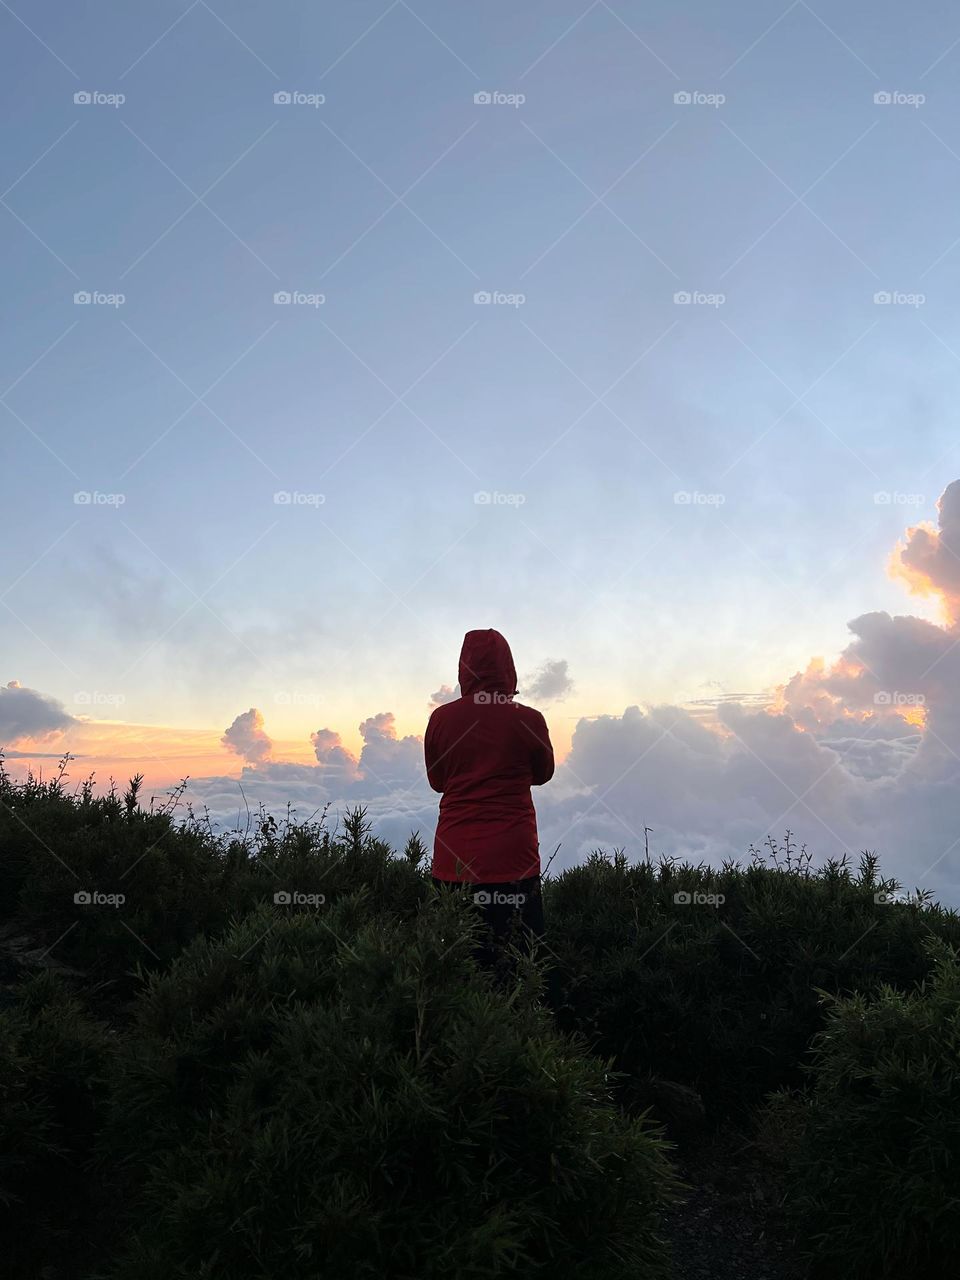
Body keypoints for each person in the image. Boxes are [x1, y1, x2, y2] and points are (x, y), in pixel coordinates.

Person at [424, 628, 555, 986]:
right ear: (508, 668)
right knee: (521, 966)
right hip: (514, 861)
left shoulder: (440, 720)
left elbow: (438, 782)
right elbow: (543, 774)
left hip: (453, 862)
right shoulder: (529, 720)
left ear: (464, 669)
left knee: (459, 970)